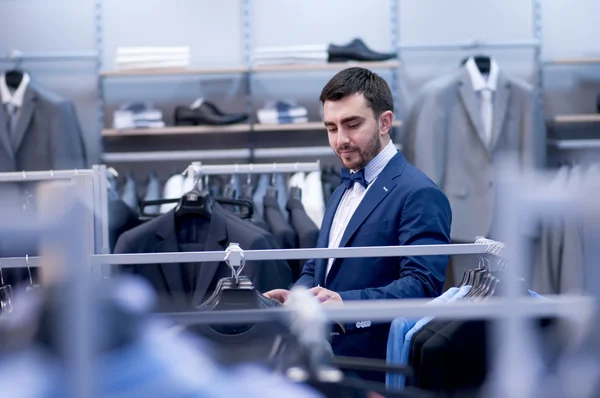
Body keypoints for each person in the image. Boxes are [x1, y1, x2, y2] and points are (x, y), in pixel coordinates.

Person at [264, 67, 452, 382]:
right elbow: (318, 266)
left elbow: (422, 286)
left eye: (352, 125)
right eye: (331, 128)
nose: (341, 140)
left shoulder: (419, 193)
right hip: (327, 365)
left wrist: (345, 304)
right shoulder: (341, 190)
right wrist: (298, 297)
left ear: (385, 122)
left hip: (379, 368)